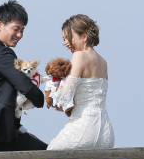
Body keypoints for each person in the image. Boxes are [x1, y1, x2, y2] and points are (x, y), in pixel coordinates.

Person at [0, 0, 47, 152]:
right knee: (52, 157)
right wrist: (41, 98)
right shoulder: (3, 53)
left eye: (22, 30)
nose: (19, 35)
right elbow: (24, 85)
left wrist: (23, 132)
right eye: (16, 29)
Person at [49, 14, 114, 150]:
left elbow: (63, 99)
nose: (67, 43)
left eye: (69, 38)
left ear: (84, 37)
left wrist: (52, 85)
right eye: (64, 39)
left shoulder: (79, 55)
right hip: (106, 134)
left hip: (83, 130)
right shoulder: (103, 62)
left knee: (50, 154)